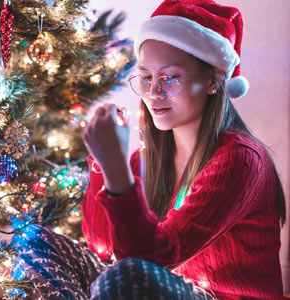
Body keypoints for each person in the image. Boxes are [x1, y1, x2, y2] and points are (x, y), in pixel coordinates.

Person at [80, 0, 287, 299]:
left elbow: (150, 260)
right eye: (147, 77)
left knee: (125, 277)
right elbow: (100, 247)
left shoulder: (242, 159)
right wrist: (103, 163)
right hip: (166, 289)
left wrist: (116, 170)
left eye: (170, 77)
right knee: (40, 243)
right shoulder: (147, 160)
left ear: (213, 80)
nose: (154, 93)